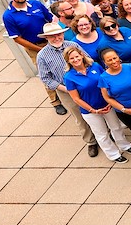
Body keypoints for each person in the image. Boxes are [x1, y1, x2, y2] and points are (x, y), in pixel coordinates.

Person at [63, 46, 131, 164]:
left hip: (107, 105)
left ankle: (124, 145)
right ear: (68, 61)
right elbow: (76, 99)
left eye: (76, 56)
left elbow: (105, 81)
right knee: (101, 134)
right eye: (72, 58)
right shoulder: (69, 77)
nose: (75, 59)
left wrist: (110, 101)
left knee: (116, 127)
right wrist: (93, 110)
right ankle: (113, 154)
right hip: (90, 111)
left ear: (81, 55)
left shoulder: (95, 66)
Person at [36, 22, 99, 153]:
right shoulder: (42, 55)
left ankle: (104, 134)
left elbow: (88, 60)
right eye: (52, 36)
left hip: (86, 85)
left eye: (58, 34)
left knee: (97, 108)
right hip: (65, 91)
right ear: (46, 38)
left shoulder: (73, 45)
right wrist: (65, 89)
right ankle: (91, 141)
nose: (56, 38)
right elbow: (45, 78)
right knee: (79, 116)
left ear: (63, 33)